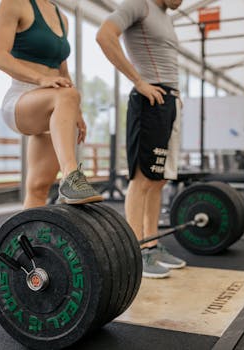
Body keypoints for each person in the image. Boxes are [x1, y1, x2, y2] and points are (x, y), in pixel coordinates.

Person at [97, 0, 186, 278]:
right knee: (142, 178)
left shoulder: (164, 15)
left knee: (159, 180)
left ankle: (151, 245)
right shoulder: (140, 4)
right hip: (149, 99)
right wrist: (138, 81)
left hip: (168, 101)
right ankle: (135, 251)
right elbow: (104, 35)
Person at [0, 0, 103, 208]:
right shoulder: (14, 3)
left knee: (39, 187)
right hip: (22, 98)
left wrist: (75, 110)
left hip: (56, 104)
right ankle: (71, 176)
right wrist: (41, 80)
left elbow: (62, 71)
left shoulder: (62, 18)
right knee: (68, 95)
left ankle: (25, 239)